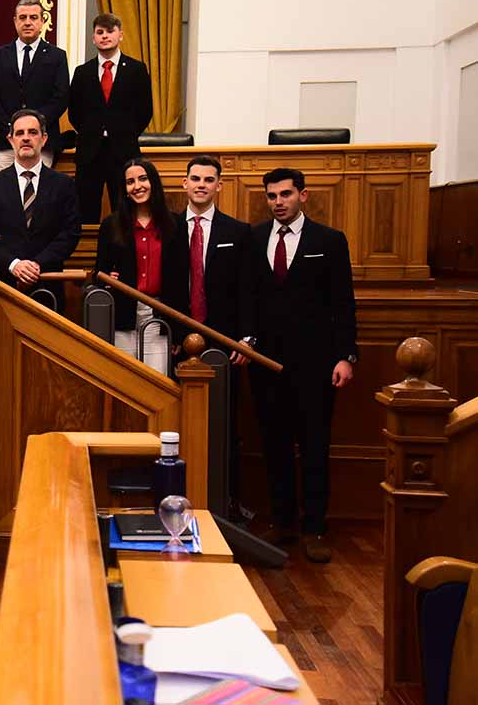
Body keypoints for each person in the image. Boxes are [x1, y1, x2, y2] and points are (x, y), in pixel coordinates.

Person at [248, 167, 356, 564]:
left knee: (314, 446)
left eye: (286, 194)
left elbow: (343, 302)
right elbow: (249, 297)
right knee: (274, 445)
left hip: (316, 364)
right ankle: (283, 523)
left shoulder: (329, 241)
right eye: (272, 195)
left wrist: (346, 355)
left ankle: (314, 528)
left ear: (303, 196)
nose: (278, 201)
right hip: (267, 364)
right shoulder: (255, 238)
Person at [167, 155, 254, 519]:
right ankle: (177, 500)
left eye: (208, 179)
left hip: (223, 345)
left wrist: (246, 339)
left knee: (223, 424)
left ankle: (225, 503)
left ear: (219, 186)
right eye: (195, 179)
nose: (201, 184)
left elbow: (250, 291)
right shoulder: (168, 229)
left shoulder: (238, 232)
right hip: (176, 342)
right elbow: (165, 286)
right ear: (184, 184)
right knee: (175, 424)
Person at [0, 109, 81, 310]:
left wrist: (37, 265)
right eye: (19, 133)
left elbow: (70, 233)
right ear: (11, 140)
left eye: (32, 132)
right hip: (5, 286)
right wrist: (14, 265)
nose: (26, 138)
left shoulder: (63, 184)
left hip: (48, 286)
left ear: (44, 138)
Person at [94, 158, 186, 374]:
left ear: (153, 182)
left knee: (156, 381)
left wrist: (179, 331)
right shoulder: (110, 225)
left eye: (143, 179)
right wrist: (108, 280)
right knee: (125, 382)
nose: (137, 186)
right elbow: (99, 273)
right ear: (125, 189)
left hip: (159, 316)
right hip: (122, 316)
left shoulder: (175, 224)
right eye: (130, 182)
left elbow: (182, 280)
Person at [68, 13, 153, 223]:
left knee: (124, 209)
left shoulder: (136, 69)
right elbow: (74, 112)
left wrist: (124, 132)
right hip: (90, 153)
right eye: (100, 32)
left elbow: (145, 111)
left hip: (124, 151)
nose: (105, 36)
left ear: (120, 35)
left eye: (110, 31)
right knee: (86, 211)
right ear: (93, 38)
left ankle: (124, 254)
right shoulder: (82, 72)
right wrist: (93, 132)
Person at [0, 0, 70, 174]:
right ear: (15, 21)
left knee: (38, 198)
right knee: (2, 197)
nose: (28, 22)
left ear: (42, 21)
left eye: (33, 17)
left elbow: (60, 98)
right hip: (4, 141)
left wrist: (34, 128)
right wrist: (13, 129)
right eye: (23, 18)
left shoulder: (57, 56)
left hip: (41, 143)